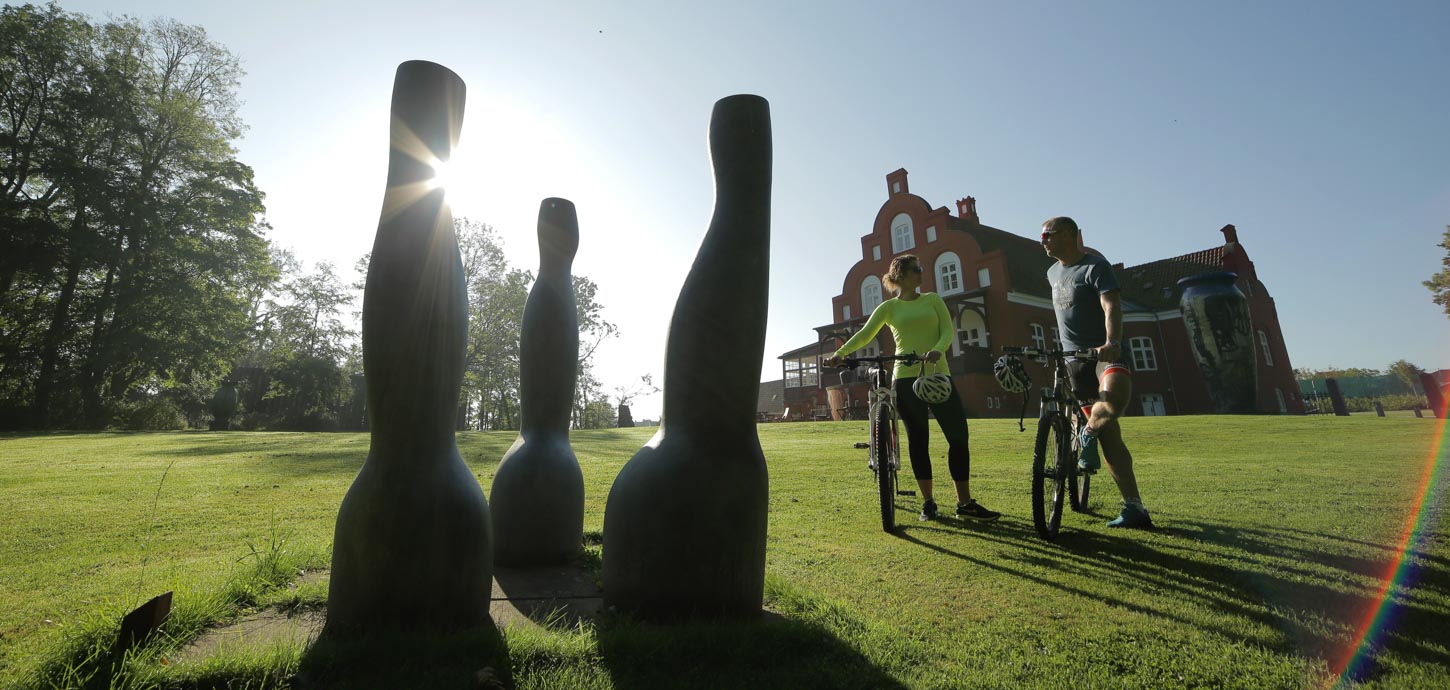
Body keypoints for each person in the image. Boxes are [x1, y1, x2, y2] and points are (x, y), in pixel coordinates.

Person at [824, 254, 1000, 522]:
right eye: (916, 270)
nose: (921, 273)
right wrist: (841, 354)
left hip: (938, 375)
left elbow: (947, 332)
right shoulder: (888, 308)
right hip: (905, 378)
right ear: (901, 276)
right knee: (919, 441)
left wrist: (937, 350)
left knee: (958, 438)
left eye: (921, 268)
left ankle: (964, 503)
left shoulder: (933, 300)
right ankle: (928, 503)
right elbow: (865, 334)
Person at [1040, 216, 1152, 528]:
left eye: (1048, 234)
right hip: (1074, 361)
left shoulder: (1095, 266)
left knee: (1115, 400)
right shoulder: (1051, 273)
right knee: (1111, 438)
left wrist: (1112, 342)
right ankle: (1135, 508)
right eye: (1042, 235)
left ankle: (1086, 433)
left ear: (1069, 234)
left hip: (1103, 352)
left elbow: (1111, 306)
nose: (1043, 240)